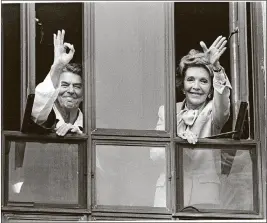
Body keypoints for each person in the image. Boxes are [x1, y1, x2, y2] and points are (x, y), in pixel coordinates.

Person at [150, 36, 232, 209]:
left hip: (205, 196)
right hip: (168, 194)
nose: (196, 86)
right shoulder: (166, 112)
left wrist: (217, 70)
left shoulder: (213, 112)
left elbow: (223, 105)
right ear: (182, 86)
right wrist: (177, 138)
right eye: (190, 79)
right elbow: (155, 155)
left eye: (203, 81)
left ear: (210, 89)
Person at [11, 29, 83, 195]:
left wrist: (79, 138)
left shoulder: (90, 124)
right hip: (41, 203)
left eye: (77, 86)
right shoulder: (45, 117)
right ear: (56, 90)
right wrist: (57, 67)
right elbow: (39, 104)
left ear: (84, 94)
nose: (71, 91)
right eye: (64, 85)